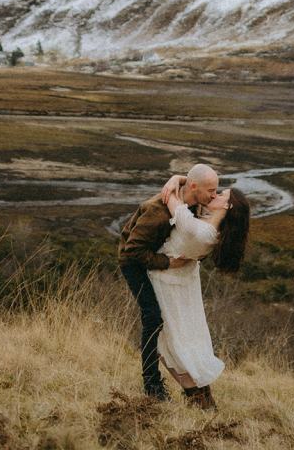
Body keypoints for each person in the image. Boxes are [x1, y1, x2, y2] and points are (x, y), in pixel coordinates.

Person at [118, 164, 220, 401]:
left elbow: (195, 185)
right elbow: (132, 251)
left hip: (156, 263)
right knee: (153, 318)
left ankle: (191, 385)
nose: (214, 195)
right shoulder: (158, 211)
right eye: (211, 190)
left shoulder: (193, 204)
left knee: (168, 321)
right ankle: (152, 386)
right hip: (134, 265)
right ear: (194, 187)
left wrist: (178, 177)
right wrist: (166, 262)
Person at [149, 179, 250, 409]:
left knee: (167, 343)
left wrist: (173, 183)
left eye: (221, 194)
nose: (215, 195)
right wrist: (178, 178)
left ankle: (196, 397)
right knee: (188, 339)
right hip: (184, 282)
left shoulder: (201, 230)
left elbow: (170, 198)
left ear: (228, 206)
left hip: (167, 282)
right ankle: (203, 396)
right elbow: (194, 184)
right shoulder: (213, 231)